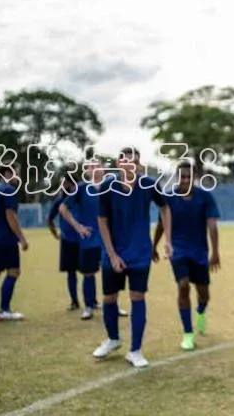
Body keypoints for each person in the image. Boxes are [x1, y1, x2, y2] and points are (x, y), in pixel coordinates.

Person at [91, 150, 172, 368]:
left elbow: (165, 207)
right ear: (119, 163)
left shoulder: (148, 184)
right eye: (127, 162)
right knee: (109, 298)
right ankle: (113, 339)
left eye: (135, 162)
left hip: (139, 254)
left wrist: (168, 241)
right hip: (113, 254)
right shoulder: (108, 187)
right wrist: (112, 255)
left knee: (138, 297)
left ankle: (135, 350)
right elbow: (102, 221)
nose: (131, 166)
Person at [153, 162, 221, 351]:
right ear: (177, 178)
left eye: (189, 177)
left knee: (204, 295)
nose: (185, 181)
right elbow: (161, 224)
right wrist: (154, 246)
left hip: (199, 252)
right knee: (183, 286)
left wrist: (215, 252)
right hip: (178, 250)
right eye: (182, 177)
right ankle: (188, 333)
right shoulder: (169, 197)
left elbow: (212, 225)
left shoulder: (205, 197)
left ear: (195, 178)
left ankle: (200, 312)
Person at [60, 161, 128, 320]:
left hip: (110, 239)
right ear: (86, 171)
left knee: (112, 272)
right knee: (88, 274)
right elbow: (62, 208)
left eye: (97, 166)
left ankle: (114, 305)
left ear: (103, 169)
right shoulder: (82, 188)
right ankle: (89, 306)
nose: (94, 169)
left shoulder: (113, 185)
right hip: (90, 239)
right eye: (90, 167)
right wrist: (78, 227)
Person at [0, 163, 28, 322]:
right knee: (13, 271)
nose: (19, 176)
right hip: (5, 239)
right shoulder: (8, 190)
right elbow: (10, 216)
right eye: (17, 173)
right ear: (9, 172)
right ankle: (4, 310)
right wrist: (22, 238)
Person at [47, 176, 81, 311]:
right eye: (63, 183)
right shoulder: (60, 201)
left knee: (88, 272)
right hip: (68, 241)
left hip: (83, 239)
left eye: (66, 183)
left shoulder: (81, 198)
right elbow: (49, 219)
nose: (64, 186)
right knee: (71, 272)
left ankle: (92, 301)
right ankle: (74, 301)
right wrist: (56, 235)